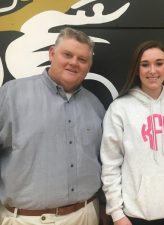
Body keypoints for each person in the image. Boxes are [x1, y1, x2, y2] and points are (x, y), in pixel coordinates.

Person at [0, 27, 106, 225]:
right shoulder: (11, 95)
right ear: (51, 54)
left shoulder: (95, 105)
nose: (74, 62)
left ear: (88, 66)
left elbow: (103, 161)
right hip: (25, 219)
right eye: (67, 54)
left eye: (82, 59)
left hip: (85, 216)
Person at [100, 40, 164, 225]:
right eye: (145, 64)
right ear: (136, 69)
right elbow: (110, 164)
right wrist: (117, 213)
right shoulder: (120, 108)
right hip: (134, 216)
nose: (152, 71)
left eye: (159, 63)